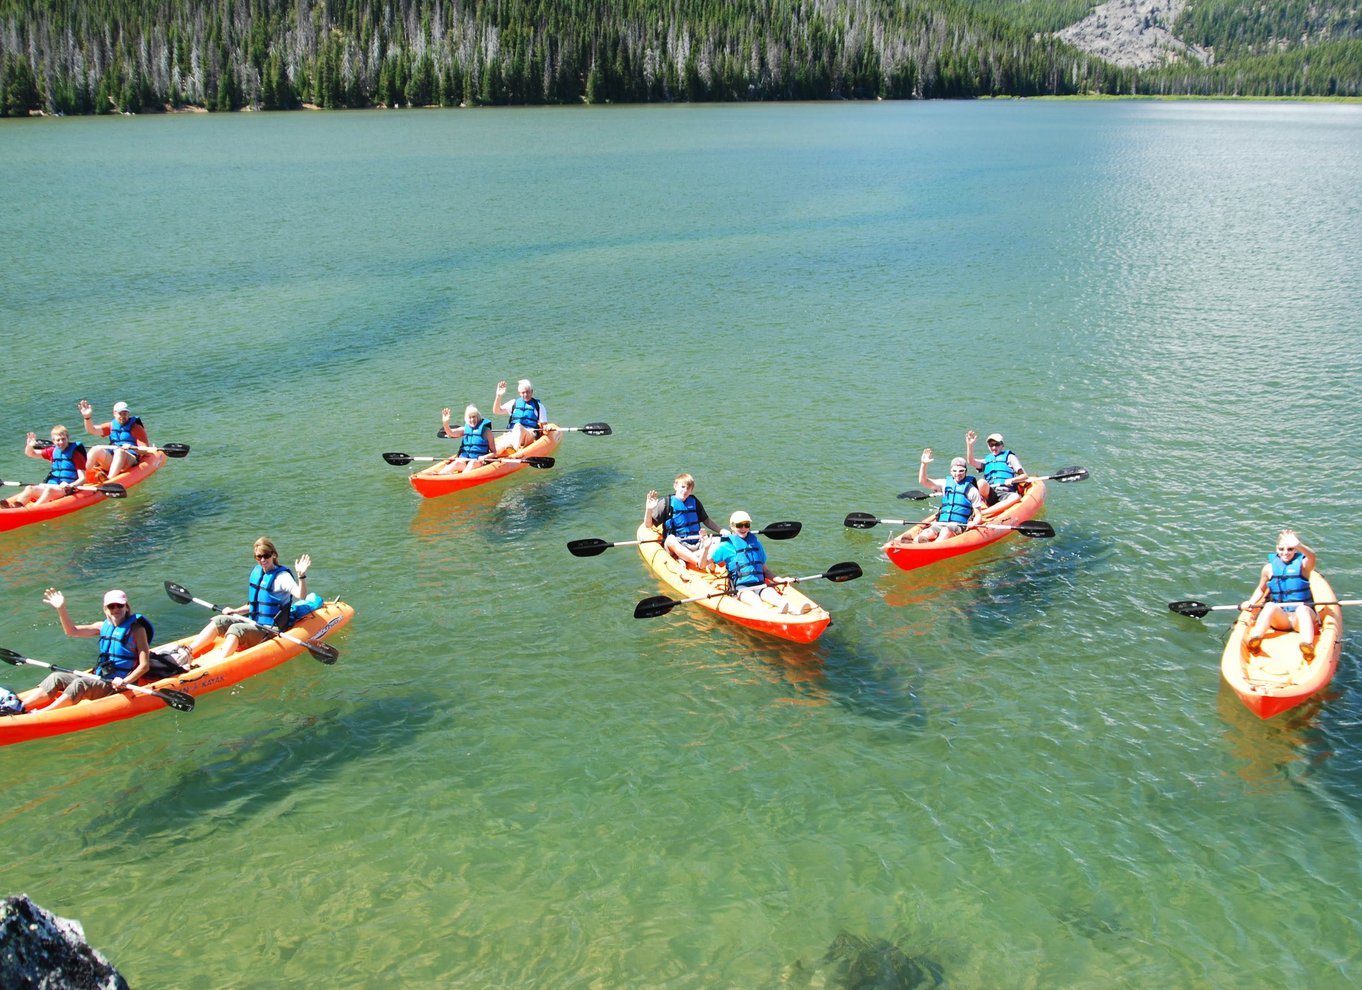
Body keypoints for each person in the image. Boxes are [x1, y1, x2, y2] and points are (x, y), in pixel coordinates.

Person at [25, 588, 153, 712]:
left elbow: (144, 666)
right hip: (101, 678)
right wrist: (61, 608)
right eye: (111, 606)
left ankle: (44, 712)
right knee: (56, 676)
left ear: (126, 607)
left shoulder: (137, 630)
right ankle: (20, 706)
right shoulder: (102, 626)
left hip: (119, 684)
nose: (116, 609)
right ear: (105, 609)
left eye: (119, 605)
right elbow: (71, 631)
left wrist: (125, 681)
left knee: (80, 684)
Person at [186, 538, 310, 660]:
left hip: (270, 629)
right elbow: (256, 605)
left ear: (273, 554)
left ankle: (220, 663)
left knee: (236, 629)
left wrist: (301, 576)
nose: (262, 560)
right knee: (219, 621)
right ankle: (188, 653)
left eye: (266, 555)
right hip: (254, 622)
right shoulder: (258, 572)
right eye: (258, 557)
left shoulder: (282, 577)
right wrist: (235, 611)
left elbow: (301, 596)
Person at [710, 511, 812, 614]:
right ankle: (773, 615)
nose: (744, 529)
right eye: (740, 525)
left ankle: (795, 610)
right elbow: (706, 565)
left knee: (774, 596)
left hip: (760, 584)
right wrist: (706, 549)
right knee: (756, 602)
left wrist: (781, 580)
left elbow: (765, 570)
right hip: (742, 588)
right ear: (732, 527)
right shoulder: (725, 546)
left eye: (747, 525)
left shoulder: (756, 544)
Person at [1241, 530, 1319, 660]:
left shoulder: (1304, 565)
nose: (1285, 552)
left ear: (1295, 550)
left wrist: (1299, 544)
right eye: (1282, 549)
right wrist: (1250, 602)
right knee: (1270, 605)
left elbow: (1312, 557)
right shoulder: (1268, 568)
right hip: (1281, 619)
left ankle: (1307, 646)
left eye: (1290, 549)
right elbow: (1261, 589)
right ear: (1277, 549)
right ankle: (1255, 639)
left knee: (1303, 609)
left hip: (1299, 620)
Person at [644, 473, 722, 569]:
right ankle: (699, 562)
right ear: (675, 486)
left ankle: (686, 558)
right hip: (678, 544)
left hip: (697, 542)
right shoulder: (666, 503)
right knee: (670, 540)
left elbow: (707, 521)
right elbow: (648, 525)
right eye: (683, 486)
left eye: (688, 488)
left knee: (717, 540)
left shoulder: (694, 501)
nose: (685, 490)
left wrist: (721, 531)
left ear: (691, 490)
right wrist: (649, 509)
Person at [0, 426, 88, 508]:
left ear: (67, 438)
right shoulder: (52, 451)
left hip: (67, 489)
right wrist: (30, 446)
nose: (61, 442)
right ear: (53, 441)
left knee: (49, 490)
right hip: (52, 486)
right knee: (29, 488)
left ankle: (32, 510)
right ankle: (16, 507)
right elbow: (30, 453)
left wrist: (70, 485)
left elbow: (83, 478)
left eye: (63, 439)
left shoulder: (76, 455)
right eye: (58, 440)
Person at [913, 448, 983, 543]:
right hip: (941, 523)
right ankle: (916, 544)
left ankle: (933, 547)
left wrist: (974, 523)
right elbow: (923, 481)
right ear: (950, 471)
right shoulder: (945, 484)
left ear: (966, 471)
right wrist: (924, 464)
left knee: (945, 530)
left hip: (958, 525)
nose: (957, 474)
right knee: (927, 532)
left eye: (961, 471)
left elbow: (978, 514)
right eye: (954, 471)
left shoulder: (972, 490)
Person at [79, 399, 149, 480]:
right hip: (114, 459)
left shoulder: (136, 428)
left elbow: (145, 450)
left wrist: (131, 447)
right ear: (114, 414)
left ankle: (109, 479)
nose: (123, 417)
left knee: (120, 451)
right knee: (96, 449)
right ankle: (81, 477)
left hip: (129, 458)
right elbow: (92, 430)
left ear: (128, 414)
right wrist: (87, 417)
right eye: (120, 414)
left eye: (125, 413)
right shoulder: (111, 426)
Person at [965, 430, 1029, 509]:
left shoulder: (1010, 457)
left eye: (997, 444)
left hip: (1005, 492)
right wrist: (969, 445)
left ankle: (987, 512)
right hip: (990, 494)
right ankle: (982, 506)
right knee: (981, 482)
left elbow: (1025, 476)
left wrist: (1012, 480)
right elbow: (971, 461)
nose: (994, 447)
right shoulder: (987, 460)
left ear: (1002, 445)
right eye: (991, 445)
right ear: (988, 446)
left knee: (1015, 496)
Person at [434, 405, 496, 474]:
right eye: (470, 417)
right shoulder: (464, 429)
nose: (472, 420)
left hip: (478, 462)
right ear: (467, 419)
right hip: (465, 460)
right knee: (456, 463)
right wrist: (445, 423)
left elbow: (494, 452)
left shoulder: (487, 432)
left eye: (474, 417)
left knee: (472, 463)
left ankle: (459, 480)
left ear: (478, 417)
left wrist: (485, 456)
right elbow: (450, 433)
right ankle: (438, 476)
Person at [491, 379, 548, 454]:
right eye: (523, 392)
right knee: (499, 448)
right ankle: (487, 459)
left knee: (518, 426)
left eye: (527, 392)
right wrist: (498, 396)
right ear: (519, 393)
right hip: (512, 433)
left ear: (532, 392)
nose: (525, 395)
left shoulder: (539, 406)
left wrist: (547, 428)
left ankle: (514, 450)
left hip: (529, 434)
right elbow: (496, 411)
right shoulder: (514, 403)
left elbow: (544, 426)